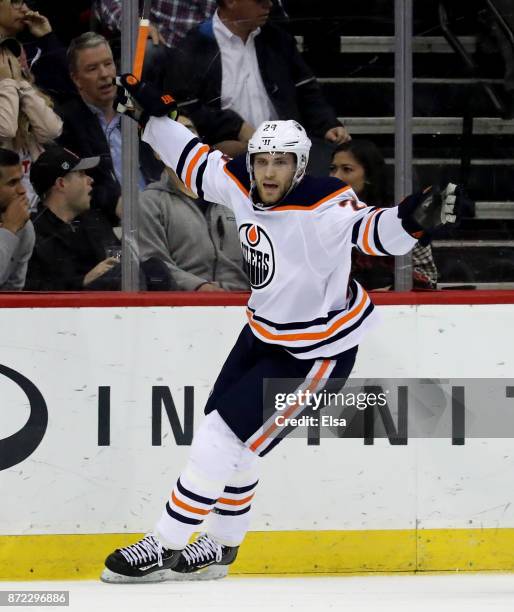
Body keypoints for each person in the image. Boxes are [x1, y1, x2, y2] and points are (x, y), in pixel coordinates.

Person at [100, 74, 461, 582]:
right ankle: (222, 546)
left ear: (300, 166)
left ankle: (163, 544)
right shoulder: (244, 182)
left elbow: (372, 231)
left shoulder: (326, 203)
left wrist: (412, 221)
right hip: (264, 332)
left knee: (219, 439)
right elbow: (196, 160)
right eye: (262, 161)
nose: (269, 172)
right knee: (234, 440)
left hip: (318, 351)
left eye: (281, 162)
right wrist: (151, 117)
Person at [164, 0, 350, 162]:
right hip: (226, 156)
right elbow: (183, 107)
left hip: (288, 152)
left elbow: (306, 89)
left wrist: (327, 124)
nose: (269, 4)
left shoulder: (278, 39)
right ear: (230, 1)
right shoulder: (194, 45)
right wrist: (235, 127)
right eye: (260, 0)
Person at [57, 32, 162, 226]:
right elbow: (77, 185)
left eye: (108, 64)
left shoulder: (137, 106)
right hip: (111, 221)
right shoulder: (67, 123)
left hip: (160, 209)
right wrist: (115, 201)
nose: (105, 74)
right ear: (76, 79)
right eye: (92, 68)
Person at [138, 113, 248, 291]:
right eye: (174, 135)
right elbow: (151, 262)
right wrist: (199, 287)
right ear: (158, 152)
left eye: (189, 133)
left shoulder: (232, 194)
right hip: (184, 307)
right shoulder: (149, 202)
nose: (183, 140)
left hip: (242, 304)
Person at [329, 140, 438, 290]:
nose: (336, 177)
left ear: (368, 175)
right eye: (332, 169)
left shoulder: (398, 215)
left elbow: (427, 275)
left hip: (395, 309)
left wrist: (391, 286)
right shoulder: (320, 215)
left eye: (347, 169)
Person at [25, 145, 123, 290]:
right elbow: (33, 292)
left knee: (154, 268)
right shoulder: (32, 234)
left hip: (114, 309)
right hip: (65, 311)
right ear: (61, 183)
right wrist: (84, 282)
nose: (90, 180)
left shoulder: (95, 221)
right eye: (82, 174)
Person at [0, 36, 63, 212]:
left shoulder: (20, 94)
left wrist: (20, 82)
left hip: (36, 210)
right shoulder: (7, 90)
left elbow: (52, 130)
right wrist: (7, 84)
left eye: (9, 57)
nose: (7, 63)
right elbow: (6, 129)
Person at [0, 0, 74, 100]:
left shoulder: (34, 44)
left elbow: (75, 82)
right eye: (15, 1)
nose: (25, 9)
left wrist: (47, 38)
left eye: (24, 2)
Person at [0, 147, 34, 290]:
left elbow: (14, 293)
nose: (22, 190)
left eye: (21, 180)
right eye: (12, 183)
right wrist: (9, 229)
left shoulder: (23, 227)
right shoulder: (15, 224)